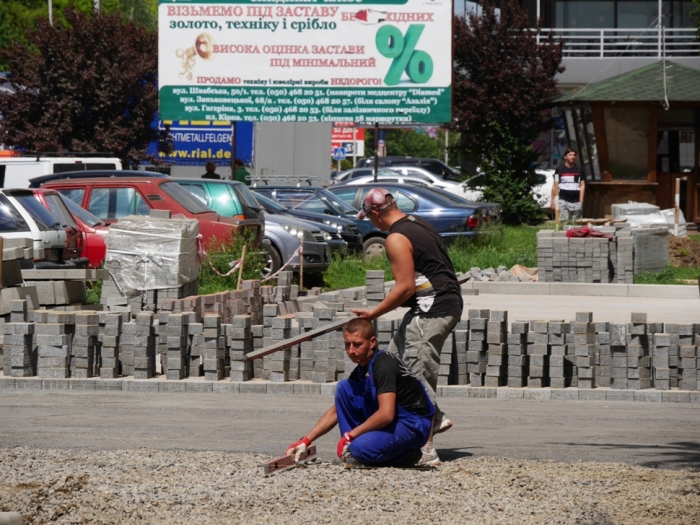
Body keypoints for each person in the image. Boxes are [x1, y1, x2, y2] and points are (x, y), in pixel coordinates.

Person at [350, 188, 463, 466]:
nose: (370, 223)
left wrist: (373, 313)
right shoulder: (417, 222)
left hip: (432, 310)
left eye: (369, 217)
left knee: (416, 372)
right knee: (392, 362)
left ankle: (426, 450)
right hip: (438, 304)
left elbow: (405, 287)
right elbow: (425, 276)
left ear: (375, 213)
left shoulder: (396, 238)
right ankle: (435, 417)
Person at [286, 319, 434, 467]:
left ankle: (408, 454)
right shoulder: (361, 369)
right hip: (395, 419)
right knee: (344, 387)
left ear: (372, 342)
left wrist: (351, 436)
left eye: (357, 344)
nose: (351, 350)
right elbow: (336, 411)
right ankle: (353, 449)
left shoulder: (383, 365)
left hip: (413, 424)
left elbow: (386, 414)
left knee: (360, 449)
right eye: (347, 344)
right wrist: (306, 440)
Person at [552, 148, 585, 223]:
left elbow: (582, 185)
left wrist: (581, 200)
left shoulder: (579, 169)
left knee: (576, 222)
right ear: (565, 157)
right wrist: (553, 201)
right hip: (563, 199)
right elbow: (555, 186)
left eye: (574, 155)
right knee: (564, 222)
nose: (572, 156)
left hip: (576, 200)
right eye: (570, 155)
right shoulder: (560, 169)